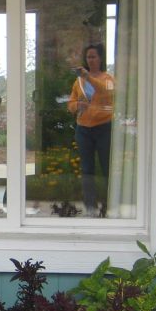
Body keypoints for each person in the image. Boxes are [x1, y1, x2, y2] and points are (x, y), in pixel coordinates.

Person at [67, 43, 114, 217]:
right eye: (88, 57)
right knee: (87, 169)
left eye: (94, 56)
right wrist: (76, 105)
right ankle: (90, 206)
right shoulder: (78, 82)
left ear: (100, 58)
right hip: (84, 129)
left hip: (103, 127)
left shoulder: (108, 78)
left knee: (106, 166)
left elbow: (104, 91)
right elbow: (70, 104)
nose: (91, 60)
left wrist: (88, 77)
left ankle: (109, 204)